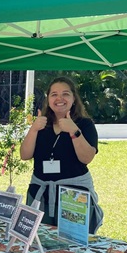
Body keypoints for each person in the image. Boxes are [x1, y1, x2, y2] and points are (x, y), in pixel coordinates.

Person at [20, 76, 103, 232]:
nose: (60, 98)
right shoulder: (41, 124)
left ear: (73, 98)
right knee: (40, 240)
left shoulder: (84, 124)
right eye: (54, 94)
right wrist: (33, 129)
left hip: (74, 196)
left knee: (73, 243)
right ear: (48, 99)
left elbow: (86, 158)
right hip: (41, 193)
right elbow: (24, 155)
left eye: (65, 94)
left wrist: (74, 131)